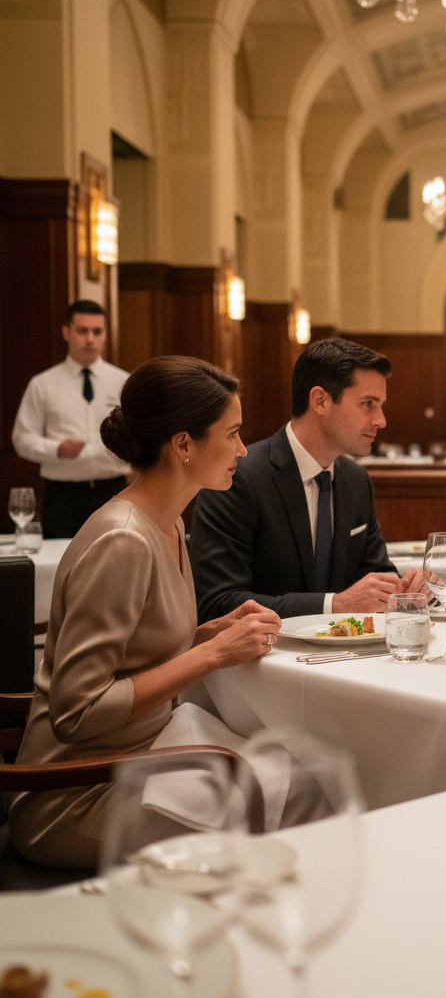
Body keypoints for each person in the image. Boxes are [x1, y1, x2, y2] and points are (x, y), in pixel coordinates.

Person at [8, 357, 282, 868]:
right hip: (72, 794)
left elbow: (139, 653)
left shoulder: (169, 523)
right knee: (286, 798)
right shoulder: (123, 539)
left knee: (287, 771)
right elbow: (76, 712)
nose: (243, 450)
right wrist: (211, 656)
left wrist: (206, 635)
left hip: (137, 759)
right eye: (233, 434)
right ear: (182, 445)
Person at [190, 337, 423, 621]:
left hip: (345, 658)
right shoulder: (238, 477)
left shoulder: (356, 480)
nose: (381, 420)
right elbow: (218, 601)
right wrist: (332, 606)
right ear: (320, 401)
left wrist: (410, 592)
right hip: (264, 658)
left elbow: (373, 575)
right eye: (368, 404)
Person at [11, 300, 130, 538]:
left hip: (113, 491)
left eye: (97, 332)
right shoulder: (43, 384)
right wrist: (56, 448)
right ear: (66, 333)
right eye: (82, 331)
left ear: (105, 334)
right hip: (64, 497)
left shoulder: (122, 382)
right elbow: (21, 438)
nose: (90, 339)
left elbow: (136, 432)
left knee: (118, 564)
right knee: (60, 567)